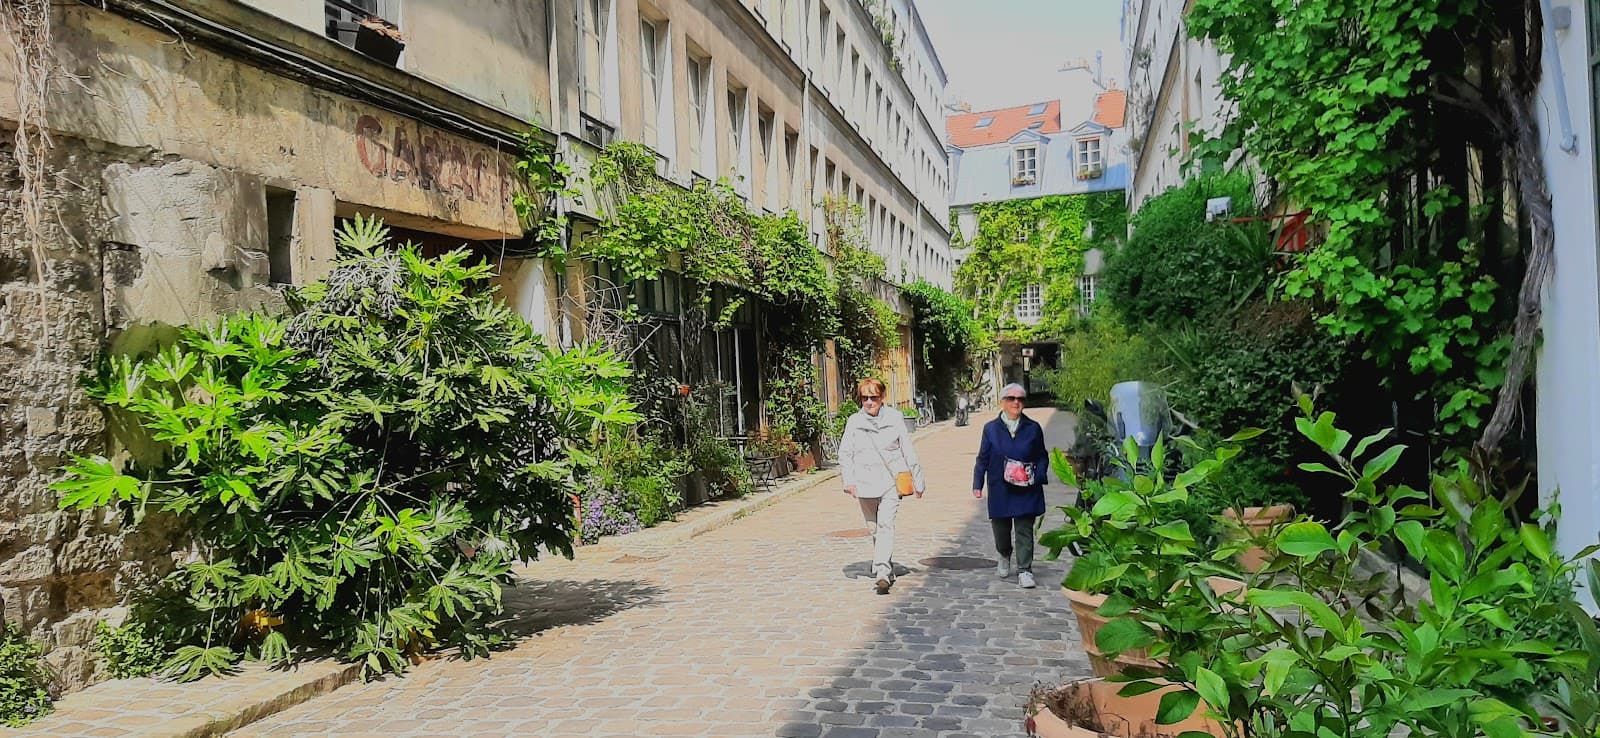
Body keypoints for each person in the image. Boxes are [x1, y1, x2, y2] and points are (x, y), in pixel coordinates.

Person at [839, 377, 926, 595]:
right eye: (865, 398)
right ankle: (886, 565)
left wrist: (918, 479)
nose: (869, 402)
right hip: (864, 482)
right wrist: (848, 481)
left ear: (882, 397)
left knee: (886, 524)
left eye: (873, 397)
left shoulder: (895, 418)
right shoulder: (854, 422)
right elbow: (845, 453)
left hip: (890, 480)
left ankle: (881, 572)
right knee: (874, 528)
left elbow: (908, 450)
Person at [972, 383, 1048, 589]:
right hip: (1000, 487)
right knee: (1001, 529)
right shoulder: (991, 429)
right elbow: (983, 458)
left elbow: (1042, 456)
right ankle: (1004, 554)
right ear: (1003, 402)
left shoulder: (1033, 428)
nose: (1016, 402)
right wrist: (977, 483)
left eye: (1020, 399)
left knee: (1024, 529)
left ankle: (1025, 569)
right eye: (1012, 398)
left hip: (1026, 487)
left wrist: (1038, 475)